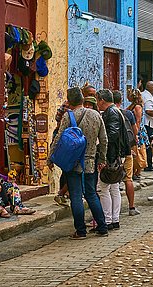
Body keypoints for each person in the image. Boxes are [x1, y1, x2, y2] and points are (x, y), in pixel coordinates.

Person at [50, 87, 108, 239]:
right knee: (91, 194)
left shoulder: (68, 117)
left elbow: (58, 139)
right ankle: (102, 227)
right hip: (90, 162)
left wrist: (51, 157)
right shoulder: (96, 115)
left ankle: (80, 231)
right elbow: (104, 140)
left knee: (76, 196)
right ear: (82, 99)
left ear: (69, 101)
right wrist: (101, 159)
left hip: (73, 162)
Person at [96, 89, 127, 230]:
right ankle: (114, 219)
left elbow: (112, 135)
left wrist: (105, 156)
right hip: (116, 155)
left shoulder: (111, 113)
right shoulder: (115, 111)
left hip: (111, 156)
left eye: (98, 101)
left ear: (102, 100)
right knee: (114, 188)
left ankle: (108, 220)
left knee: (104, 188)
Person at [113, 90, 141, 216]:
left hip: (114, 152)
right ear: (120, 101)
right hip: (127, 150)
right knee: (128, 179)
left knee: (111, 182)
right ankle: (131, 207)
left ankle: (113, 211)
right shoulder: (128, 114)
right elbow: (135, 132)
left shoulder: (108, 114)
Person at [127, 88, 150, 181]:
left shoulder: (137, 107)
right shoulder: (133, 106)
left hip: (137, 130)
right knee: (136, 151)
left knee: (138, 151)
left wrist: (135, 134)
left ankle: (137, 172)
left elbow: (138, 121)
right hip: (135, 130)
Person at [53, 100, 71, 207]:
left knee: (66, 170)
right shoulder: (67, 108)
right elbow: (58, 119)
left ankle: (63, 192)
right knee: (66, 170)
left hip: (68, 139)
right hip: (66, 140)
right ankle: (62, 192)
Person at [141, 81, 153, 171]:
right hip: (148, 124)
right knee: (149, 145)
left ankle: (146, 163)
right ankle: (149, 165)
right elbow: (148, 111)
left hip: (146, 123)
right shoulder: (148, 97)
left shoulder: (143, 94)